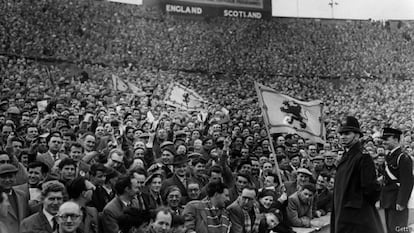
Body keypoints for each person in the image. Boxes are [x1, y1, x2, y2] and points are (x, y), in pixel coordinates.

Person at [331, 116, 383, 233]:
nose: (343, 137)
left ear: (357, 135)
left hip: (356, 217)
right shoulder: (346, 156)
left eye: (347, 133)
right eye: (341, 134)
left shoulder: (363, 157)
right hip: (344, 214)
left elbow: (370, 189)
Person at [380, 127, 414, 233]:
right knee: (390, 229)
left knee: (398, 230)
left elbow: (407, 182)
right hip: (388, 199)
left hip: (397, 200)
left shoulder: (403, 157)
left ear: (395, 139)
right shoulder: (389, 156)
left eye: (387, 139)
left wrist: (402, 201)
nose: (384, 142)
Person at [0, 163, 29, 233]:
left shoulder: (22, 195)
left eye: (10, 176)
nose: (7, 180)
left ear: (15, 177)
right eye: (3, 177)